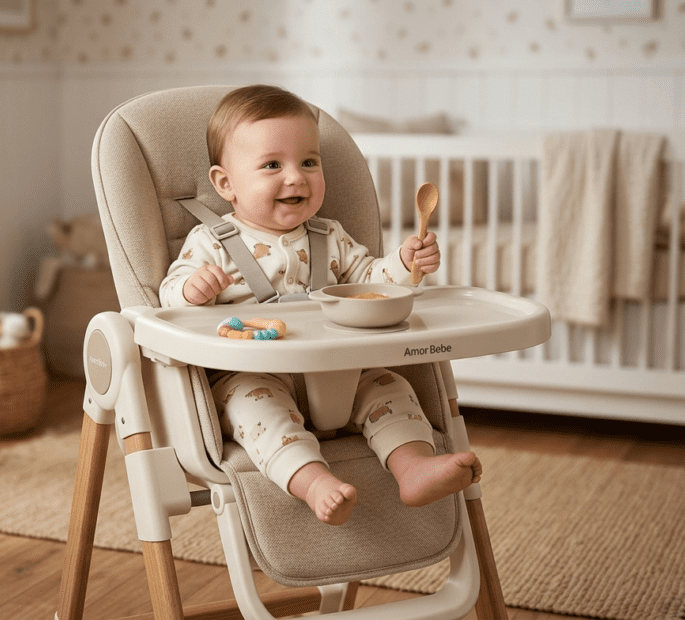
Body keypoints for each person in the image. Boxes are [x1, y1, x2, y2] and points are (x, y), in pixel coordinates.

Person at [160, 85, 481, 526]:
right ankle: (313, 482)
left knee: (389, 386)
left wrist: (404, 263)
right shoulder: (210, 242)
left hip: (340, 375)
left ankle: (413, 467)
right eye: (272, 165)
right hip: (254, 377)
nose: (296, 177)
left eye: (309, 162)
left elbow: (370, 281)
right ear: (225, 183)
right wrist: (193, 289)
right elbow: (169, 296)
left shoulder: (330, 236)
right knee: (255, 409)